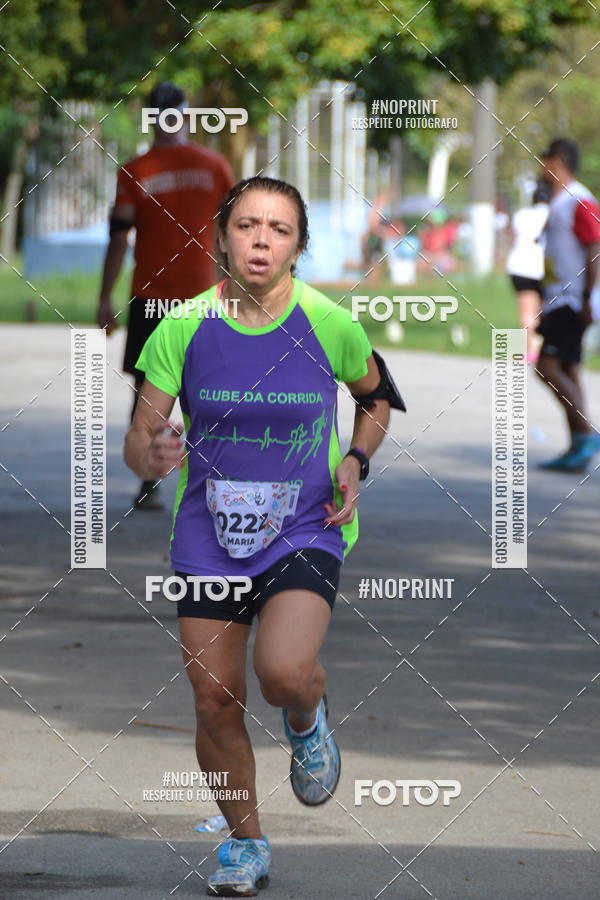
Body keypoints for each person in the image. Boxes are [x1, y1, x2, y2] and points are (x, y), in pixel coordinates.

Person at [124, 176, 405, 896]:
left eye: (278, 229)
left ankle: (307, 715)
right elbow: (137, 435)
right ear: (220, 236)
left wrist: (356, 459)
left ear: (299, 246)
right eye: (247, 225)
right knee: (215, 698)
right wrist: (149, 455)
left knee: (282, 673)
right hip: (207, 537)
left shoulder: (327, 322)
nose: (260, 239)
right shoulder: (182, 327)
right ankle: (245, 845)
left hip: (305, 528)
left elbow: (375, 398)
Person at [98, 81, 235, 508]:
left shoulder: (136, 170)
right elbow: (233, 232)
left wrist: (105, 298)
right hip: (205, 296)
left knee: (148, 389)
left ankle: (148, 483)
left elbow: (118, 238)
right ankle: (214, 481)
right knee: (211, 386)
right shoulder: (214, 165)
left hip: (151, 297)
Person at [536, 138, 600, 471]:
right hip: (558, 298)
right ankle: (578, 444)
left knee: (546, 366)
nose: (540, 168)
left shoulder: (580, 200)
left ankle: (587, 434)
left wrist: (589, 296)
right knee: (570, 368)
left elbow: (595, 247)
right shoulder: (559, 201)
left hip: (572, 299)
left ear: (558, 161)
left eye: (544, 160)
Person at [506, 179, 552, 362]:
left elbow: (512, 238)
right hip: (542, 269)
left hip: (519, 267)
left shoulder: (521, 215)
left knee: (526, 312)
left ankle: (528, 349)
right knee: (541, 311)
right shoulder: (553, 214)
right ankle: (538, 349)